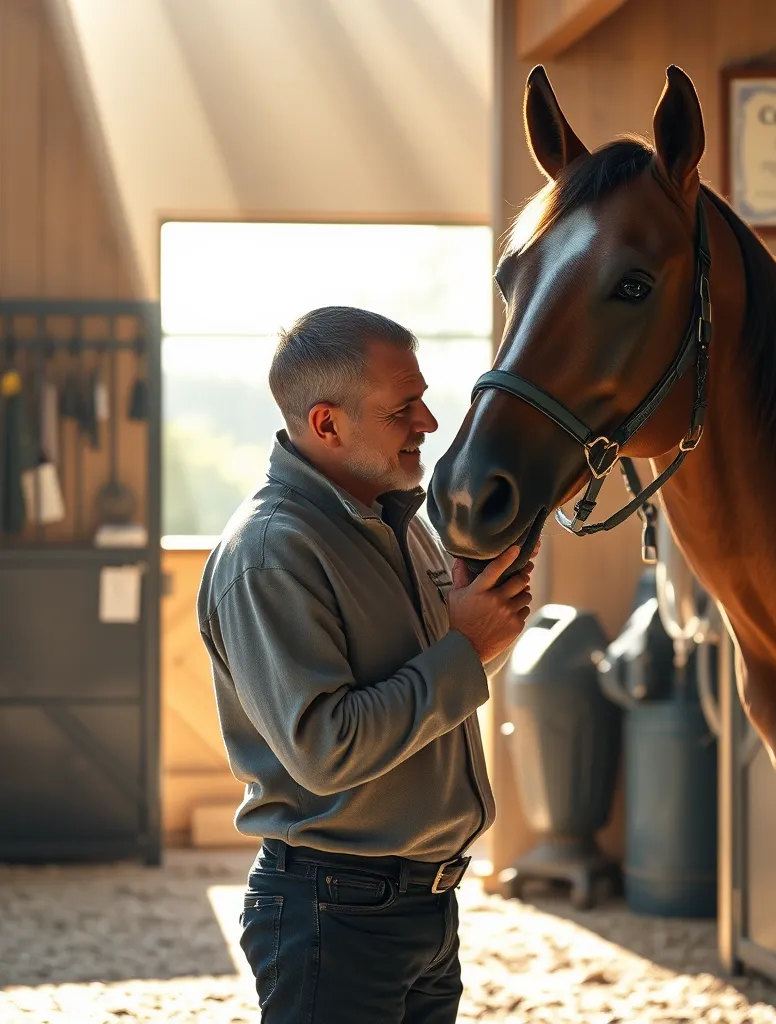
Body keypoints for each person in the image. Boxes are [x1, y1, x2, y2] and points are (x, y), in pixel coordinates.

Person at [197, 306, 537, 1023]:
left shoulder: (400, 523)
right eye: (403, 407)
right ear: (327, 424)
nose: (430, 423)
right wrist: (466, 647)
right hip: (335, 913)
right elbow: (327, 748)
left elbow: (429, 699)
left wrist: (488, 630)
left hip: (423, 908)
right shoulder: (272, 552)